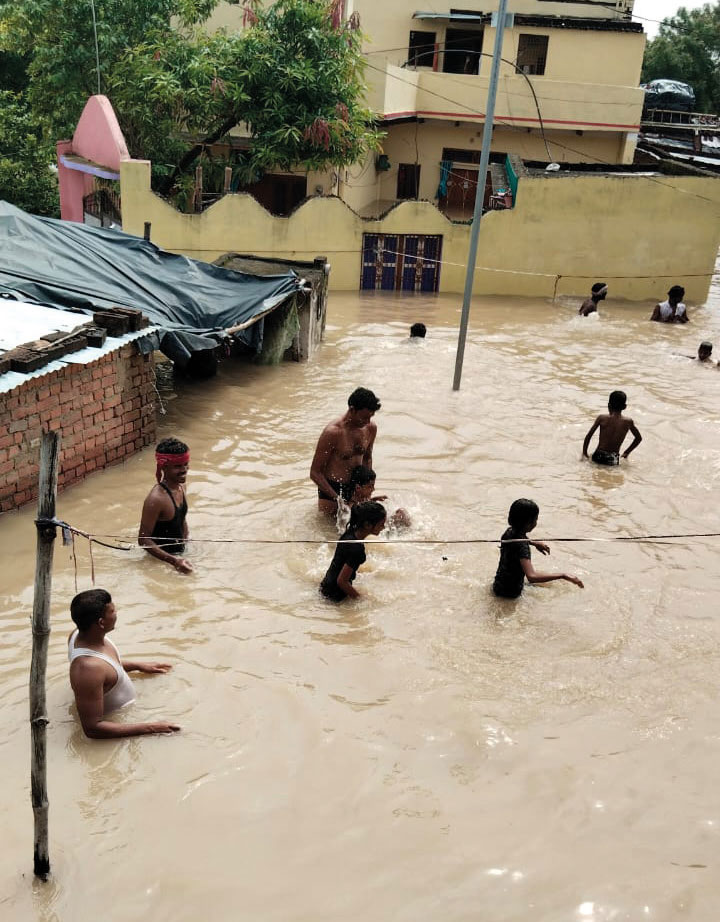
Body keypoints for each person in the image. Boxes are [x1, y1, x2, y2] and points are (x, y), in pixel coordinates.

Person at [68, 589, 180, 739]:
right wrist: (152, 727)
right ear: (101, 622)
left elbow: (106, 668)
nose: (116, 613)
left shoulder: (78, 634)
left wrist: (137, 665)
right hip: (120, 717)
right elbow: (92, 729)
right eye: (113, 611)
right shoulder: (87, 669)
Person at [493, 499, 584, 599]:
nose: (536, 522)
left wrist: (534, 543)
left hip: (498, 586)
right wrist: (563, 575)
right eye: (536, 519)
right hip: (511, 594)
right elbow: (532, 576)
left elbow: (519, 539)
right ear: (529, 523)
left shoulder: (509, 532)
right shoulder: (522, 547)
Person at [310, 388, 380, 515]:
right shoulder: (333, 433)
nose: (367, 422)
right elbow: (315, 472)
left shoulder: (371, 428)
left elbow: (367, 457)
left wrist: (367, 487)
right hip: (333, 489)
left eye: (370, 417)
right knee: (330, 532)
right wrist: (338, 500)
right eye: (364, 417)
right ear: (352, 410)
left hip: (357, 488)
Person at [139, 437, 193, 573]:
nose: (184, 470)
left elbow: (182, 519)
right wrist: (174, 561)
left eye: (186, 464)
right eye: (178, 466)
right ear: (164, 466)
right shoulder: (156, 499)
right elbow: (143, 540)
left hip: (180, 556)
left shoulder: (182, 487)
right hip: (160, 563)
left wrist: (186, 544)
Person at [320, 501, 386, 601]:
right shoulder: (356, 549)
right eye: (381, 524)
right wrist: (359, 599)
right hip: (335, 596)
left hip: (326, 586)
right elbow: (342, 581)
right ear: (367, 525)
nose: (383, 527)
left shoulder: (349, 533)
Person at [337, 465, 410, 531]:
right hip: (378, 530)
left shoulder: (359, 503)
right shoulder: (350, 508)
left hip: (378, 527)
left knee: (401, 512)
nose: (373, 489)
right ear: (358, 488)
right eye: (370, 486)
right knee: (402, 513)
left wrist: (373, 500)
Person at [582, 390, 642, 466]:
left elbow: (588, 436)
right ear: (624, 407)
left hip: (598, 455)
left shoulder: (602, 418)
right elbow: (638, 438)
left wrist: (584, 453)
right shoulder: (628, 422)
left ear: (609, 405)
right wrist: (626, 453)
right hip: (613, 458)